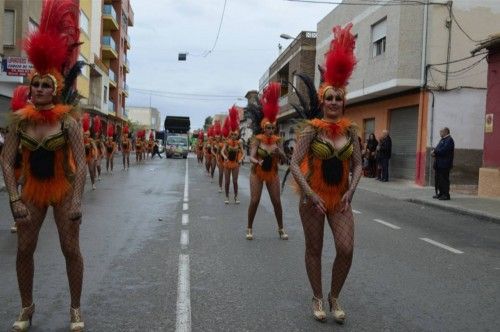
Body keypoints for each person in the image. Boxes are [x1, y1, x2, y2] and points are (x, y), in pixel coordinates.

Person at [0, 1, 86, 329]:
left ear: (56, 89)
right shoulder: (19, 122)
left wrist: (77, 199)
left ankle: (75, 309)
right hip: (32, 192)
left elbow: (78, 162)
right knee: (24, 248)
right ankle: (26, 308)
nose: (39, 89)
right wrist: (14, 199)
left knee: (69, 248)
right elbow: (7, 161)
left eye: (45, 85)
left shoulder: (68, 123)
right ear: (30, 87)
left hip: (64, 190)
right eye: (35, 84)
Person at [289, 23, 361, 324]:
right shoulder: (310, 131)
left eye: (338, 98)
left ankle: (335, 296)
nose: (333, 102)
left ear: (344, 101)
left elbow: (358, 165)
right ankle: (318, 297)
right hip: (313, 198)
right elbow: (293, 164)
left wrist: (351, 190)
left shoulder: (353, 132)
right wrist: (309, 193)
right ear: (322, 101)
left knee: (346, 249)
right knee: (314, 249)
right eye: (329, 98)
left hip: (339, 199)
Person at [246, 82, 288, 241]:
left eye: (273, 128)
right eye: (268, 128)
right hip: (257, 172)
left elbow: (284, 161)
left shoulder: (278, 140)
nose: (271, 130)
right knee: (255, 200)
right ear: (263, 128)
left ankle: (281, 228)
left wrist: (280, 152)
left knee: (277, 201)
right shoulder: (257, 139)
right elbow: (251, 156)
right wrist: (258, 162)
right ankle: (249, 227)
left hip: (273, 173)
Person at [221, 106, 245, 204]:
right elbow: (222, 151)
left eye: (235, 135)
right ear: (230, 135)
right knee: (227, 182)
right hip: (227, 164)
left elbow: (243, 153)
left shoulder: (240, 143)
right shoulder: (227, 142)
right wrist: (225, 157)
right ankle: (227, 197)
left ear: (237, 135)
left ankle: (236, 196)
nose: (234, 136)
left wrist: (240, 159)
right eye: (232, 135)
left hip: (235, 164)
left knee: (235, 181)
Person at [432, 127, 455, 200]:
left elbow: (444, 151)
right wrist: (434, 153)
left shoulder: (449, 140)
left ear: (446, 132)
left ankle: (446, 195)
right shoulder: (443, 139)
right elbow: (438, 149)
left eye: (441, 132)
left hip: (445, 164)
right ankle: (441, 193)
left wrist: (435, 152)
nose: (440, 133)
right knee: (439, 180)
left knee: (444, 180)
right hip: (439, 164)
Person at [82, 113, 97, 190]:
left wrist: (95, 157)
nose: (86, 136)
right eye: (84, 135)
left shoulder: (91, 140)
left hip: (90, 157)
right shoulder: (80, 141)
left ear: (89, 134)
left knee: (91, 170)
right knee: (82, 172)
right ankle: (82, 185)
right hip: (83, 157)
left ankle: (93, 184)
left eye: (87, 135)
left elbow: (95, 148)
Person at [93, 116, 104, 181]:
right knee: (94, 165)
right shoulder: (92, 139)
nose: (96, 134)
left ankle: (99, 175)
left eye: (97, 133)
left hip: (99, 154)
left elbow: (102, 147)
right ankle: (94, 175)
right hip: (94, 154)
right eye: (95, 133)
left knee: (98, 165)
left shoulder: (100, 140)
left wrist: (102, 153)